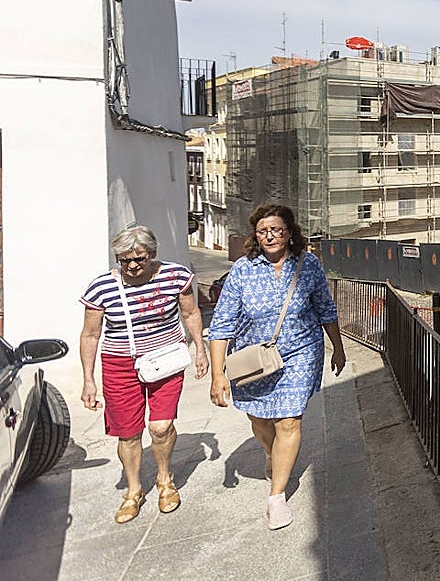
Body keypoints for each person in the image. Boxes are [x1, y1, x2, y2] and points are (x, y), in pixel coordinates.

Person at [207, 204, 346, 531]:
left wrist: (337, 348)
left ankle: (277, 496)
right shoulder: (243, 270)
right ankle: (272, 453)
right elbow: (222, 323)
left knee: (288, 420)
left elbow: (325, 308)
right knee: (260, 420)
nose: (270, 236)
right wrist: (217, 375)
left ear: (289, 232)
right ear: (255, 236)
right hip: (253, 358)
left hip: (300, 352)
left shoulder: (308, 264)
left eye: (276, 229)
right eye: (263, 231)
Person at [79, 225, 209, 524]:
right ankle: (134, 490)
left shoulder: (175, 276)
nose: (133, 266)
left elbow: (190, 313)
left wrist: (200, 350)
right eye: (125, 260)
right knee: (128, 432)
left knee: (161, 427)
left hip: (165, 360)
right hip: (120, 365)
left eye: (140, 258)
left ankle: (164, 479)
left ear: (153, 254)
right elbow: (90, 335)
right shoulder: (101, 287)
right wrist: (89, 380)